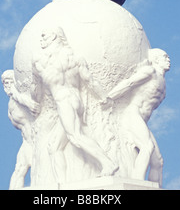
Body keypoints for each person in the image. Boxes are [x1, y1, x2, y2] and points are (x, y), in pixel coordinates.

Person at [32, 27, 118, 182]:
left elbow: (36, 91)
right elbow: (90, 81)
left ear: (54, 37)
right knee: (54, 146)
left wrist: (33, 99)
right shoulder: (75, 58)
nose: (41, 39)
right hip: (75, 101)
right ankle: (61, 184)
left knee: (75, 137)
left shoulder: (40, 61)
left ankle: (108, 163)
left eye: (44, 35)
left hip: (64, 101)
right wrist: (103, 97)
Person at [101, 49, 170, 186]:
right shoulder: (150, 72)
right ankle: (137, 184)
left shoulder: (163, 83)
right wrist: (109, 97)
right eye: (164, 56)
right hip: (132, 114)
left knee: (158, 162)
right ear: (155, 59)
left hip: (142, 120)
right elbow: (129, 83)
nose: (168, 59)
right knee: (147, 146)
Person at [1, 70, 40, 190]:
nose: (8, 86)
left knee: (37, 171)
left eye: (10, 82)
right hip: (26, 142)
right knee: (19, 169)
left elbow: (29, 103)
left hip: (36, 140)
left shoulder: (21, 98)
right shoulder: (11, 103)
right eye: (5, 83)